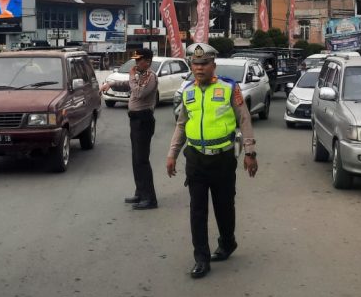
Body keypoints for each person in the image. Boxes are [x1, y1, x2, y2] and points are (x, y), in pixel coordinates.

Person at [166, 42, 258, 279]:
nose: (199, 68)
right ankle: (201, 258)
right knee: (197, 211)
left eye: (204, 64)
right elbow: (181, 125)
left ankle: (228, 242)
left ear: (213, 65)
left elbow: (244, 119)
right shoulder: (187, 90)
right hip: (196, 159)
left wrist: (249, 153)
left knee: (224, 207)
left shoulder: (230, 88)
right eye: (195, 64)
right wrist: (172, 154)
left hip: (223, 159)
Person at [101, 48, 160, 210]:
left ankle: (150, 199)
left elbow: (139, 92)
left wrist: (132, 77)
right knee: (136, 159)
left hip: (144, 120)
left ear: (147, 61)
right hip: (135, 120)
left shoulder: (151, 77)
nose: (135, 63)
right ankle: (140, 192)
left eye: (138, 60)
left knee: (142, 159)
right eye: (135, 60)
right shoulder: (139, 76)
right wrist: (111, 84)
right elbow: (127, 84)